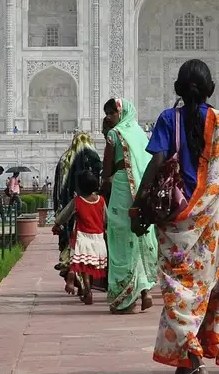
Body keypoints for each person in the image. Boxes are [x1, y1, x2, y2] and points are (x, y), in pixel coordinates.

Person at [132, 59, 219, 373]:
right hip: (214, 226)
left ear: (178, 89)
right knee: (204, 289)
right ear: (211, 89)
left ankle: (191, 357)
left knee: (179, 291)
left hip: (176, 221)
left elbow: (155, 163)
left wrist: (139, 203)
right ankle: (190, 356)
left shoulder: (170, 118)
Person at [101, 98, 158, 314]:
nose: (108, 118)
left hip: (123, 188)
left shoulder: (114, 135)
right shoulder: (139, 134)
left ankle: (126, 299)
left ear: (121, 113)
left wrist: (104, 181)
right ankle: (145, 291)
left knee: (120, 238)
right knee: (139, 236)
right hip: (141, 192)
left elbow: (107, 171)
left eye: (111, 114)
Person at [52, 170, 108, 306]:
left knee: (83, 266)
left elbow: (64, 215)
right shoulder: (101, 200)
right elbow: (106, 219)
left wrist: (57, 224)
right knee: (90, 265)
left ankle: (86, 289)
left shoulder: (77, 201)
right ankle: (86, 290)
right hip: (98, 237)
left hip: (82, 236)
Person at [53, 132, 103, 277]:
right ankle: (85, 277)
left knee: (71, 239)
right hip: (90, 206)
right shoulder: (93, 157)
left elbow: (58, 188)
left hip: (69, 204)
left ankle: (68, 265)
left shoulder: (65, 159)